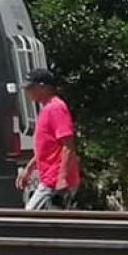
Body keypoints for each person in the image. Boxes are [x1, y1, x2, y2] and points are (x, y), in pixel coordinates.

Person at [16, 67, 80, 209]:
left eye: (30, 88)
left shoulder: (56, 108)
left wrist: (62, 178)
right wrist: (29, 168)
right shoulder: (46, 108)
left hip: (55, 180)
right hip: (50, 178)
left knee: (29, 220)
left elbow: (68, 145)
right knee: (51, 226)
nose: (27, 92)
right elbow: (47, 146)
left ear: (43, 87)